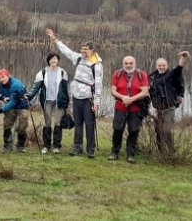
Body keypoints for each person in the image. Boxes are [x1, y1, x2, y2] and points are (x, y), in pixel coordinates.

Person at [45, 28, 104, 158]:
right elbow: (66, 51)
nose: (83, 51)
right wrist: (54, 38)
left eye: (86, 49)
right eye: (82, 49)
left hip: (88, 98)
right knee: (78, 123)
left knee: (89, 124)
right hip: (76, 97)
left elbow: (99, 85)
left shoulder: (97, 65)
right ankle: (77, 147)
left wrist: (97, 103)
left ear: (92, 51)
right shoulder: (78, 58)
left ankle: (91, 149)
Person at [26, 52, 70, 154]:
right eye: (51, 59)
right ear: (49, 61)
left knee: (58, 122)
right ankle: (46, 146)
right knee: (47, 123)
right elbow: (36, 87)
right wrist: (29, 96)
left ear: (58, 60)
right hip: (47, 100)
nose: (53, 61)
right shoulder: (42, 72)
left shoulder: (63, 73)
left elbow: (65, 90)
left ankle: (57, 146)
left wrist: (66, 102)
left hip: (59, 101)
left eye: (55, 59)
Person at [148, 51, 190, 155]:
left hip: (169, 108)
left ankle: (170, 153)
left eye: (164, 65)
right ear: (156, 66)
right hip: (158, 109)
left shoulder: (171, 76)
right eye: (160, 65)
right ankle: (162, 153)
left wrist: (183, 59)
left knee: (166, 131)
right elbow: (147, 91)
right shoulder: (152, 77)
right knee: (158, 132)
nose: (162, 67)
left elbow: (178, 70)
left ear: (167, 66)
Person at [109, 56, 150, 163]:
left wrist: (131, 99)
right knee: (117, 129)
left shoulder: (142, 75)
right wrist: (123, 97)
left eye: (131, 63)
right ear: (123, 64)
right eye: (126, 63)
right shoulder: (117, 74)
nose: (128, 65)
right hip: (120, 106)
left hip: (136, 108)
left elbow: (145, 92)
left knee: (134, 130)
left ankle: (130, 154)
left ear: (134, 64)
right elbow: (113, 90)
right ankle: (114, 152)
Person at [0, 69, 29, 152]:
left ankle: (20, 145)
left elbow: (14, 101)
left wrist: (1, 110)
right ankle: (7, 145)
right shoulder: (0, 85)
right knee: (7, 124)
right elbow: (4, 95)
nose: (1, 79)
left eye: (3, 77)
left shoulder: (15, 85)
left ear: (8, 76)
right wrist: (4, 97)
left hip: (22, 106)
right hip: (11, 106)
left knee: (22, 126)